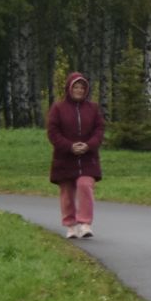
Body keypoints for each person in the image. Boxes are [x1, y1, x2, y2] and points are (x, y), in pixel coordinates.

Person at [45, 73, 105, 238]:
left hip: (88, 158)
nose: (79, 90)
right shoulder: (58, 108)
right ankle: (70, 225)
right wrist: (69, 146)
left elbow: (99, 130)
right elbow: (53, 132)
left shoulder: (93, 108)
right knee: (67, 192)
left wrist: (89, 145)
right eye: (76, 87)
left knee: (85, 185)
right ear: (69, 89)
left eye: (82, 88)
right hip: (65, 158)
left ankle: (85, 223)